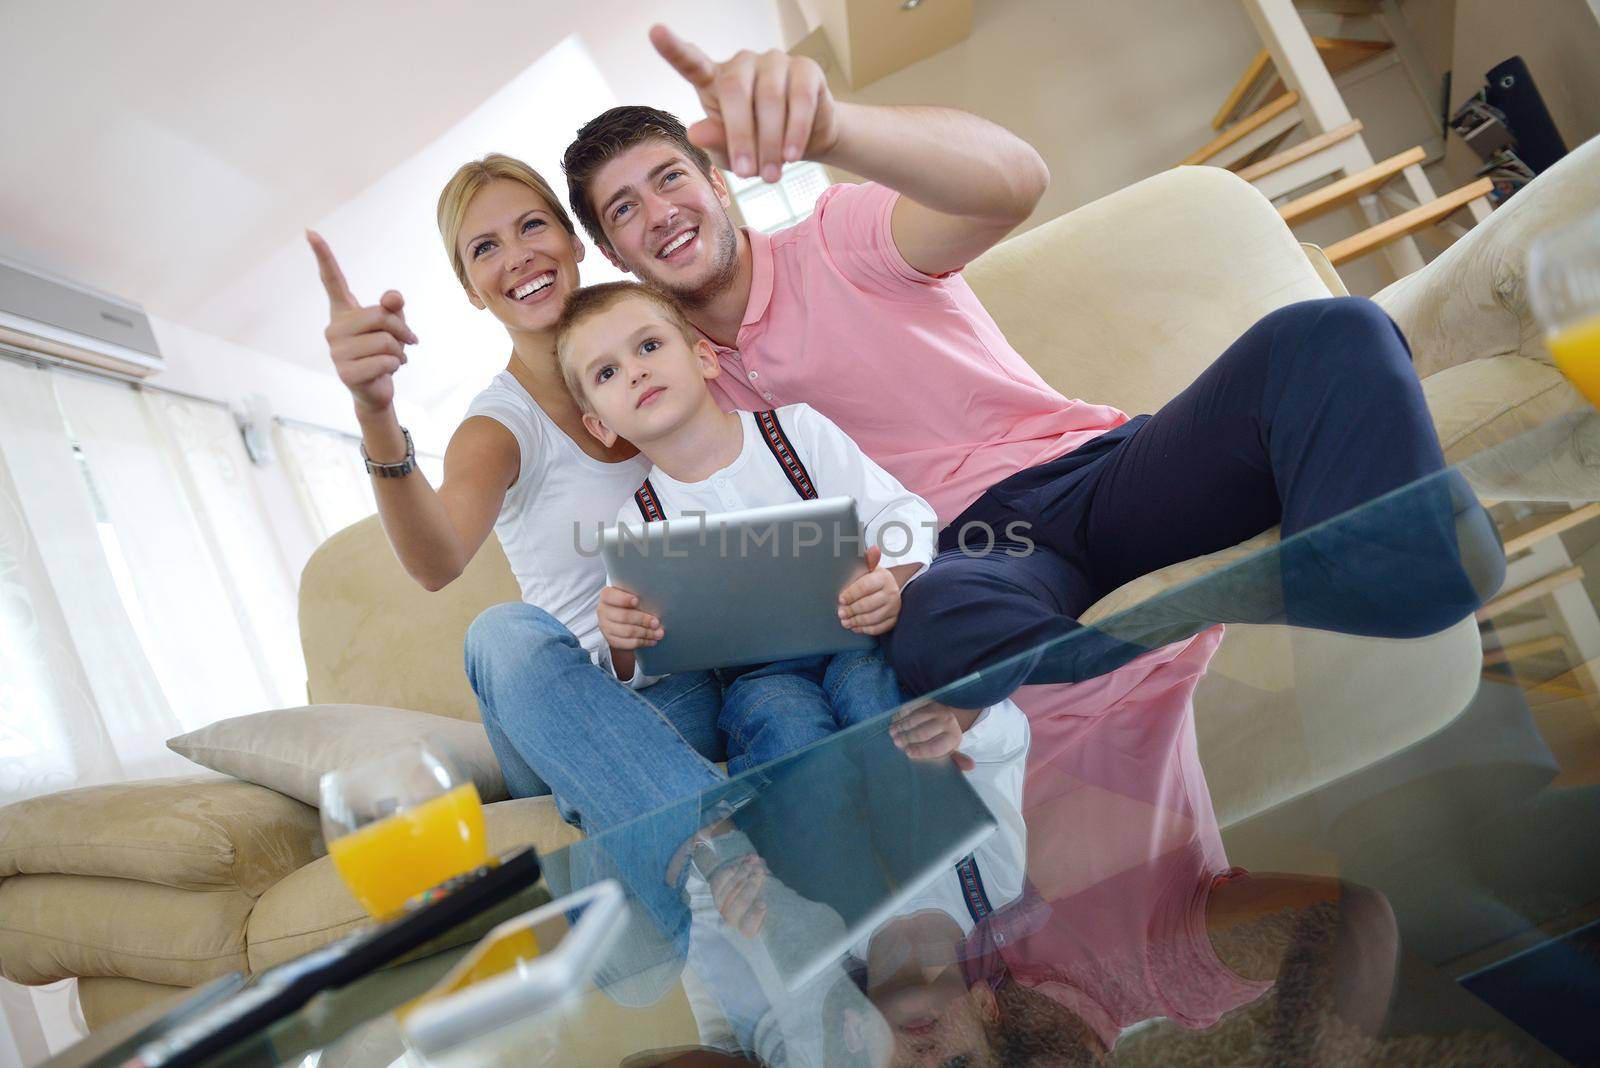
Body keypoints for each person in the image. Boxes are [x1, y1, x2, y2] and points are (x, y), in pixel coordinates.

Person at [554, 25, 1504, 713]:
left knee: (1328, 334)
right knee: (935, 632)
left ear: (720, 184)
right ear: (615, 255)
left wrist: (831, 126)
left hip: (1103, 474)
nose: (659, 211)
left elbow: (1012, 182)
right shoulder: (669, 376)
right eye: (624, 210)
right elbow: (567, 398)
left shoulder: (837, 235)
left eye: (670, 177)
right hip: (975, 553)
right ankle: (1149, 683)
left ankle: (1375, 574)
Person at [306, 154, 730, 837]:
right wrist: (375, 414)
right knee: (500, 633)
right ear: (473, 288)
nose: (518, 257)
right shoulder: (498, 425)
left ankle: (677, 844)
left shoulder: (662, 348)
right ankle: (712, 856)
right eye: (484, 249)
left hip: (702, 688)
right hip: (575, 708)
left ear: (572, 238)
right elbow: (436, 561)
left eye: (533, 226)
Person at [553, 279, 986, 772]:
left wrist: (892, 577)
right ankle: (828, 847)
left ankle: (938, 843)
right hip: (759, 680)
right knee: (782, 725)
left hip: (859, 640)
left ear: (704, 360)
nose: (636, 371)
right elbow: (642, 668)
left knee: (875, 695)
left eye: (649, 346)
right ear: (599, 426)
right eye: (607, 372)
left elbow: (900, 515)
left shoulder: (797, 431)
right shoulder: (637, 524)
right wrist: (623, 640)